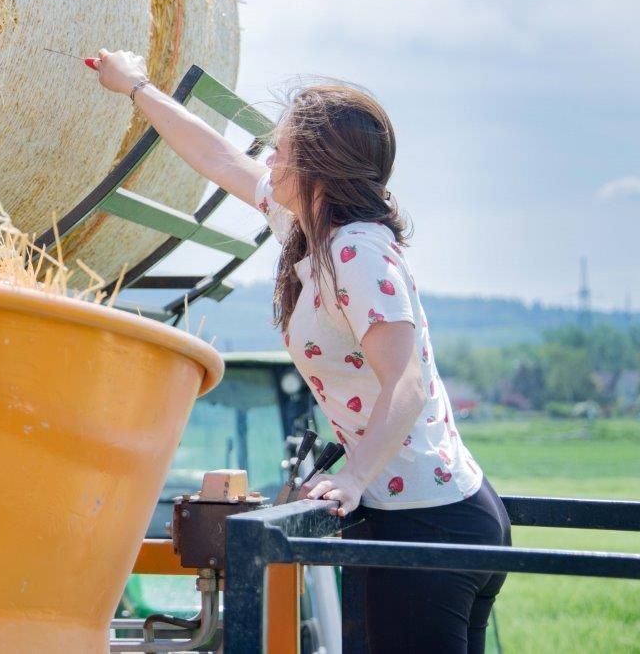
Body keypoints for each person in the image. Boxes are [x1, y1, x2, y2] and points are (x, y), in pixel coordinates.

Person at [93, 49, 512, 654]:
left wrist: (353, 477)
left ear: (318, 170)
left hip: (429, 523)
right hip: (418, 518)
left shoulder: (357, 252)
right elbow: (218, 157)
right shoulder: (304, 231)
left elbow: (407, 381)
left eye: (282, 152)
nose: (270, 160)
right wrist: (137, 88)